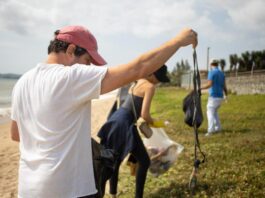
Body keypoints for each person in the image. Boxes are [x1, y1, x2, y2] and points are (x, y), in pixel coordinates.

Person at [10, 25, 197, 198]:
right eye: (87, 61)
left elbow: (17, 134)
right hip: (67, 189)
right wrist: (178, 41)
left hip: (28, 188)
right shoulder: (70, 76)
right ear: (71, 50)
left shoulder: (22, 82)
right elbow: (138, 68)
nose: (88, 67)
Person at [97, 65, 170, 198]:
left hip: (115, 119)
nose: (158, 82)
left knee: (114, 160)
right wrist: (159, 123)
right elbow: (145, 115)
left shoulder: (138, 80)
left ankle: (112, 194)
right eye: (159, 79)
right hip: (125, 123)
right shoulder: (149, 87)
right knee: (144, 161)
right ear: (153, 75)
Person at [201, 59, 228, 136]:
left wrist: (200, 88)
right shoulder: (222, 73)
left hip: (213, 96)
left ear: (211, 64)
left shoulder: (211, 72)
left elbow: (209, 85)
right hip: (220, 97)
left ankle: (210, 131)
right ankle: (218, 128)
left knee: (209, 112)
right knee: (215, 112)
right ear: (217, 64)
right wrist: (226, 95)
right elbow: (224, 86)